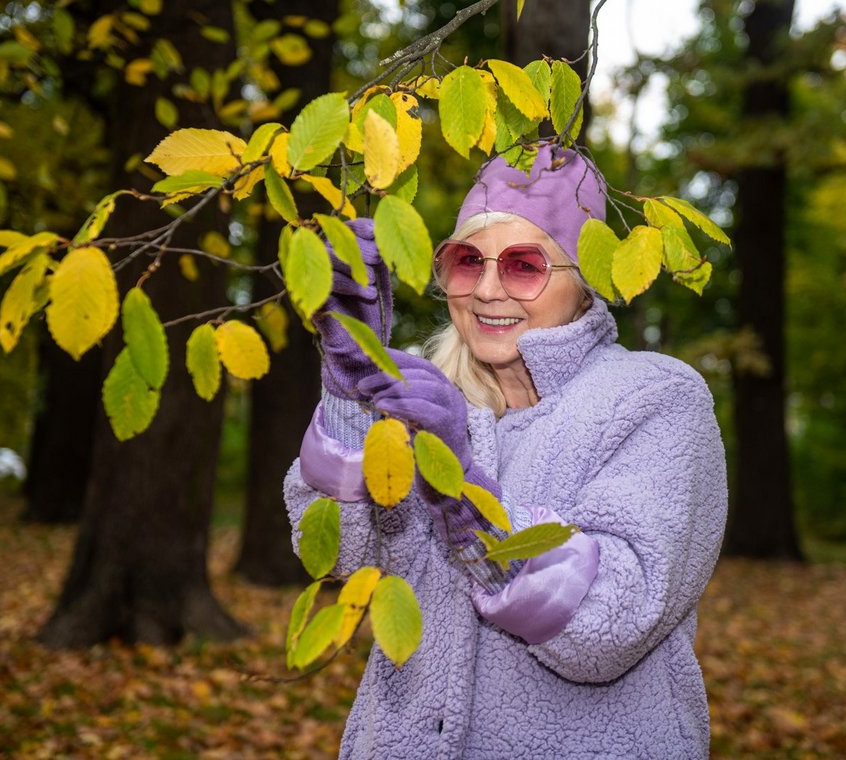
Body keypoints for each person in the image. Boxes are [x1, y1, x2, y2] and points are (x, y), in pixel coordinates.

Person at [284, 144, 728, 760]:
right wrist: (348, 395)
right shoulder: (435, 403)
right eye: (467, 262)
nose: (487, 290)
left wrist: (461, 490)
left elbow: (608, 628)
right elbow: (331, 554)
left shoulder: (655, 399)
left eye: (524, 265)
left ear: (583, 284)